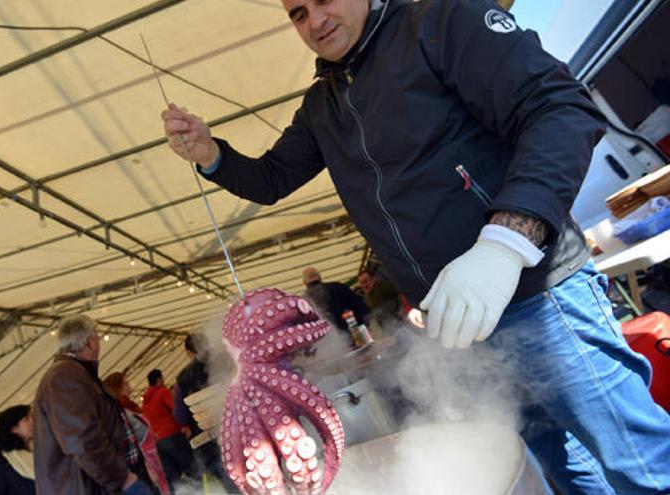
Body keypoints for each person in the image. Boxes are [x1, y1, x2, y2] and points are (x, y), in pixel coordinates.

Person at [160, 0, 670, 492]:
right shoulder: (323, 105)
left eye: (323, 1)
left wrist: (506, 243)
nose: (315, 21)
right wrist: (211, 154)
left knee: (639, 461)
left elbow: (561, 108)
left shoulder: (440, 23)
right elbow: (270, 178)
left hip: (540, 296)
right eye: (298, 13)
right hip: (461, 324)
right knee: (563, 464)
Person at [33, 315, 153, 495]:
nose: (99, 344)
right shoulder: (64, 378)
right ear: (88, 342)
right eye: (97, 338)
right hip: (97, 485)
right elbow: (84, 440)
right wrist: (123, 478)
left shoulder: (78, 374)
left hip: (107, 481)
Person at [173, 334, 238, 493]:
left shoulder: (182, 379)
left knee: (231, 484)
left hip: (208, 444)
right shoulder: (227, 361)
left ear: (189, 352)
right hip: (237, 431)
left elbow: (180, 416)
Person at [104, 372, 171, 495]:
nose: (129, 387)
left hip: (150, 456)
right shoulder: (120, 411)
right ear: (116, 388)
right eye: (125, 384)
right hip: (143, 460)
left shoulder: (130, 407)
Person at [141, 369, 199, 489]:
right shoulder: (162, 392)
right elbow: (176, 409)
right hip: (173, 436)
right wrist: (184, 426)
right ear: (159, 380)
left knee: (175, 480)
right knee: (192, 470)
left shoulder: (145, 402)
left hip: (159, 442)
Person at [302, 266, 372, 340]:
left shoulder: (304, 301)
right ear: (319, 277)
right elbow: (361, 308)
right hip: (356, 334)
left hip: (331, 344)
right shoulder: (337, 287)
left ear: (304, 282)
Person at [0, 406, 35, 495]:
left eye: (32, 416)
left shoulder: (42, 453)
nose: (33, 420)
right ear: (13, 429)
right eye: (26, 419)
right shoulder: (2, 466)